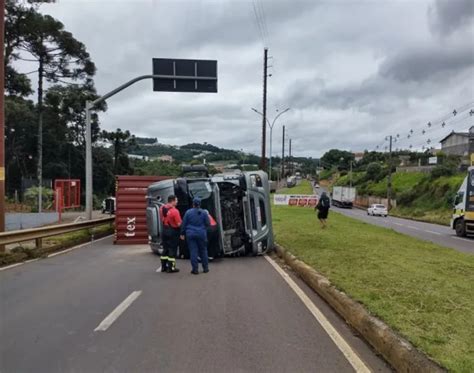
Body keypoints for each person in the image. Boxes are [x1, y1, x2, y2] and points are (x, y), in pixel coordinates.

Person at [180, 197, 210, 275]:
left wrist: (182, 233)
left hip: (190, 234)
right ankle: (205, 268)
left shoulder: (188, 212)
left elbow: (184, 224)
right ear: (200, 204)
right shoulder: (204, 213)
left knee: (193, 251)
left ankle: (195, 269)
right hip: (201, 234)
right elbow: (208, 223)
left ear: (193, 204)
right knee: (203, 251)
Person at [160, 195, 182, 273]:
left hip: (164, 230)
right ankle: (171, 268)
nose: (177, 202)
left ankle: (163, 267)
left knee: (165, 249)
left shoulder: (162, 208)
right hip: (172, 232)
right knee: (172, 249)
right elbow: (179, 224)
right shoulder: (175, 211)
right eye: (176, 200)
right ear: (172, 201)